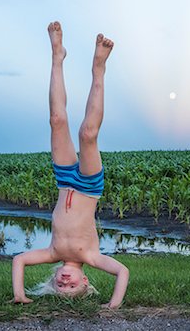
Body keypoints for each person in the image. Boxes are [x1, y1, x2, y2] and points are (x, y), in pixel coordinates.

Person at [11, 21, 129, 310]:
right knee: (88, 134)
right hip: (89, 187)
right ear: (85, 281)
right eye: (71, 285)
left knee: (56, 121)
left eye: (59, 285)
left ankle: (57, 55)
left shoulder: (52, 253)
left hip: (64, 181)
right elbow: (122, 272)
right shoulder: (91, 257)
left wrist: (19, 294)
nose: (64, 281)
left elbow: (19, 260)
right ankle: (98, 68)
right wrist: (113, 306)